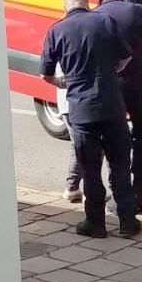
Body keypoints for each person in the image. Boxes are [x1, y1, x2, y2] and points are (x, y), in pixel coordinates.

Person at [40, 0, 140, 238]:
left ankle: (95, 224)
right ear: (88, 3)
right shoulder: (105, 21)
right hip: (112, 106)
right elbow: (126, 56)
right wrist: (111, 72)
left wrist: (65, 83)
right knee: (119, 166)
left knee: (91, 169)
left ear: (65, 7)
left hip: (82, 111)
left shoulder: (56, 30)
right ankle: (128, 223)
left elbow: (46, 74)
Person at [95, 0, 142, 212]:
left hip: (110, 86)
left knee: (115, 139)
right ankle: (139, 192)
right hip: (138, 83)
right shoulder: (137, 10)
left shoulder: (95, 16)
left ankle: (118, 194)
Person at [55, 63, 83, 203]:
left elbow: (47, 74)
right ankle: (72, 187)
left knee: (78, 145)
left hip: (68, 102)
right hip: (77, 102)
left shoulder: (57, 40)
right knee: (83, 146)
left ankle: (72, 187)